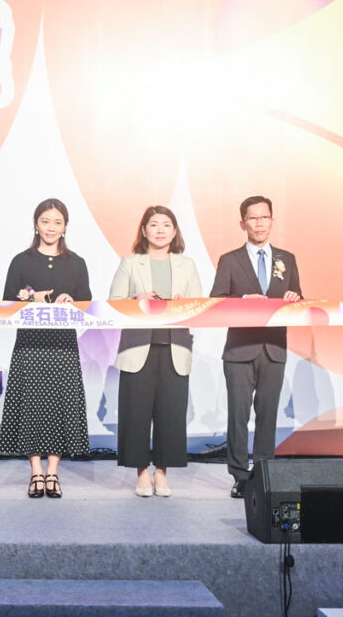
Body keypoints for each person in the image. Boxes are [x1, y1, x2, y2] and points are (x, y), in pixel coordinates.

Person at [0, 199, 91, 499]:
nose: (51, 227)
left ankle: (53, 472)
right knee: (32, 406)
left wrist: (71, 302)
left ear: (65, 227)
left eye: (57, 222)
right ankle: (36, 471)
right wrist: (29, 298)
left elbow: (86, 304)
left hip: (63, 346)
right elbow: (7, 303)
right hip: (30, 345)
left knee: (60, 406)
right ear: (36, 224)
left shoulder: (76, 263)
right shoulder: (21, 261)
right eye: (45, 221)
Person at [210, 196, 302, 499]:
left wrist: (295, 298)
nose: (259, 223)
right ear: (243, 223)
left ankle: (263, 472)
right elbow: (216, 302)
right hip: (239, 350)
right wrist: (241, 302)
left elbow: (299, 299)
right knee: (238, 415)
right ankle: (239, 475)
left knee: (268, 414)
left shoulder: (287, 259)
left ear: (272, 221)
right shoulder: (230, 260)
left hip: (274, 348)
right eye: (253, 218)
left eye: (264, 217)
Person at [109, 206, 203, 498]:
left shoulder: (187, 265)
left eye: (166, 225)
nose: (160, 230)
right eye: (153, 224)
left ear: (174, 232)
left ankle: (161, 472)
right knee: (135, 413)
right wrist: (137, 299)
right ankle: (141, 473)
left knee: (170, 413)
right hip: (138, 348)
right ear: (144, 230)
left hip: (175, 348)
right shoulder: (130, 263)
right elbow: (114, 303)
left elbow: (199, 305)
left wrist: (182, 304)